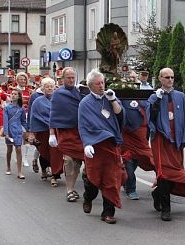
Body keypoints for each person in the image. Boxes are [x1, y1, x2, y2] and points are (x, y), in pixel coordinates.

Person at [148, 68, 185, 221]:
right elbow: (150, 117)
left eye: (172, 77)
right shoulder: (154, 97)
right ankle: (166, 208)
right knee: (164, 174)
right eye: (166, 77)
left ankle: (157, 193)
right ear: (160, 79)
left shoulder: (181, 96)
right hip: (161, 141)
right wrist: (157, 101)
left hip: (176, 142)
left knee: (175, 174)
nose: (170, 80)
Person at [79, 69, 126, 224]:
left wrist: (113, 100)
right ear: (90, 85)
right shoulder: (85, 103)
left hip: (111, 145)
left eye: (103, 83)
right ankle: (88, 197)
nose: (101, 86)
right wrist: (87, 144)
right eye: (98, 83)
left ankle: (108, 212)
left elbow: (120, 116)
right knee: (94, 180)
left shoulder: (110, 98)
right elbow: (83, 126)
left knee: (111, 179)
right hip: (96, 146)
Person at [49, 67, 86, 202]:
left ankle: (80, 185)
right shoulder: (58, 94)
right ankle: (69, 190)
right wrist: (52, 133)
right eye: (68, 78)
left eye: (73, 77)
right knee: (69, 161)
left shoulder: (80, 92)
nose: (71, 80)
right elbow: (53, 114)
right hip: (65, 132)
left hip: (81, 131)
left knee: (78, 163)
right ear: (63, 79)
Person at [28, 77, 64, 186]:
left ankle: (55, 175)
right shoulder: (37, 101)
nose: (49, 89)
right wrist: (31, 132)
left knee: (56, 153)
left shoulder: (58, 100)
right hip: (42, 130)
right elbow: (33, 117)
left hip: (56, 130)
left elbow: (62, 114)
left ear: (54, 88)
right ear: (43, 89)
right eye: (47, 87)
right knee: (44, 152)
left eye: (51, 87)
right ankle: (44, 170)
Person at [120, 98, 155, 200]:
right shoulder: (124, 97)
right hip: (128, 136)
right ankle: (131, 189)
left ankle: (164, 184)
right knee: (129, 162)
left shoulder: (146, 95)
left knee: (151, 160)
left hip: (142, 137)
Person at [3, 89, 27, 179]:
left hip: (18, 131)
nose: (13, 95)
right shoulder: (6, 108)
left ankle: (19, 171)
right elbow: (5, 121)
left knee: (19, 149)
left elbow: (23, 121)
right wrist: (6, 133)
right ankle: (8, 167)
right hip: (9, 130)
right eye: (12, 94)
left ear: (19, 96)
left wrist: (29, 130)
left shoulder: (21, 108)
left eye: (15, 94)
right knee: (9, 149)